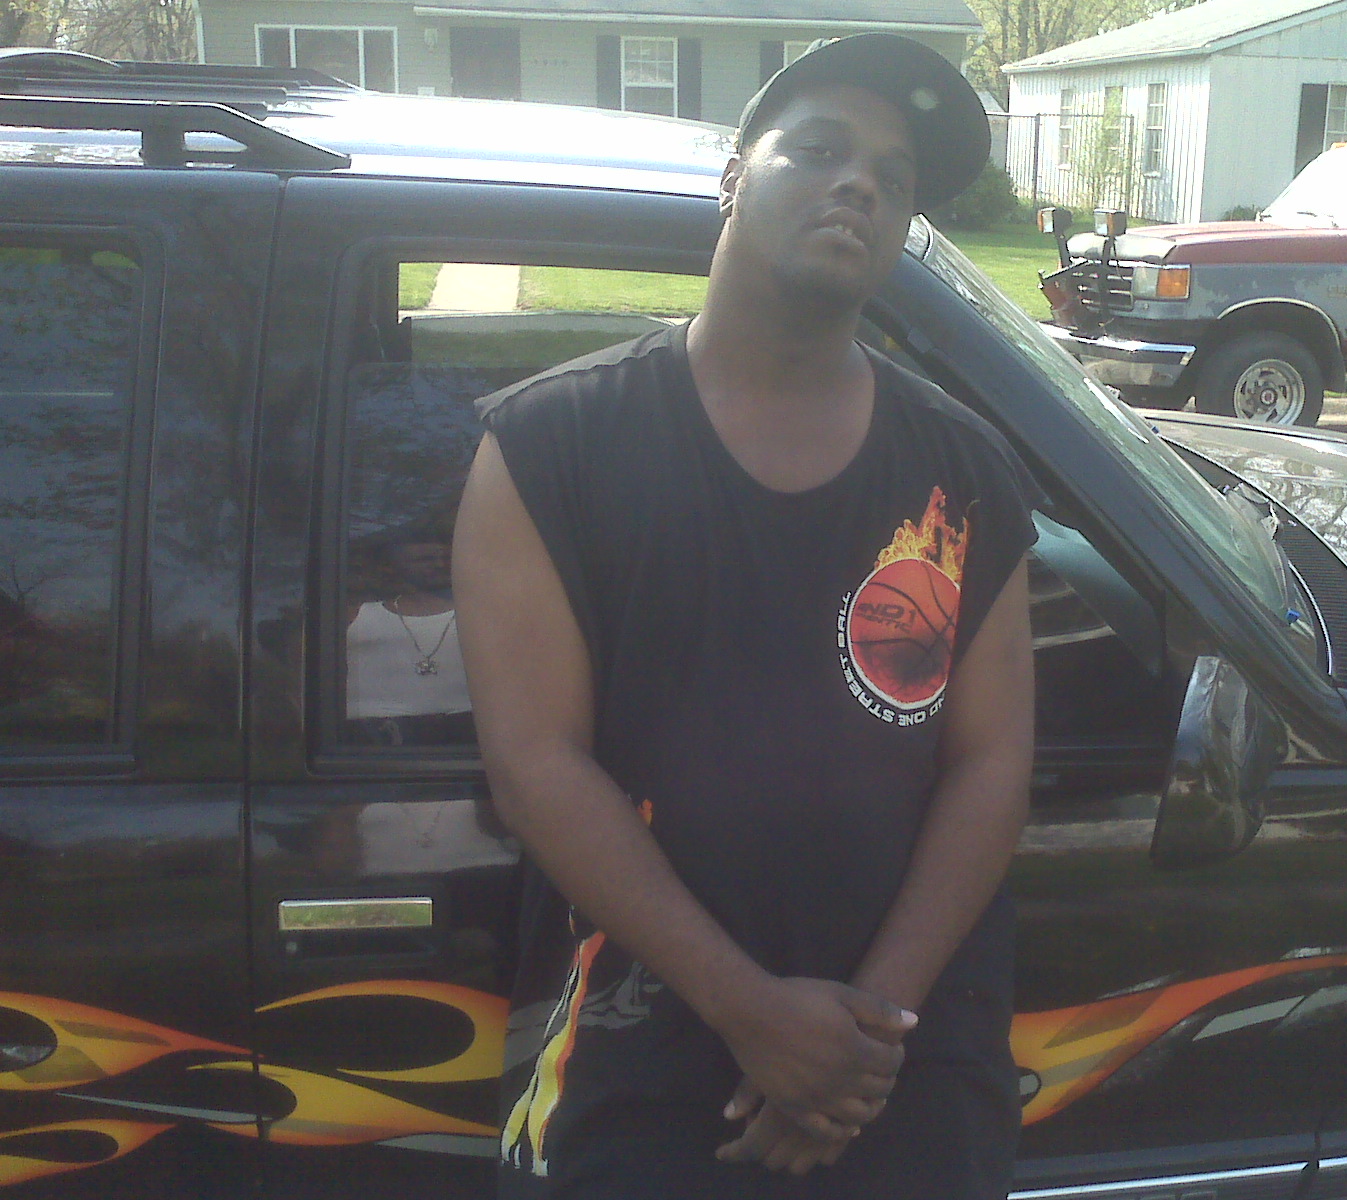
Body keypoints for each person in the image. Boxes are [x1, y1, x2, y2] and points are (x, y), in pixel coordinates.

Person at [454, 33, 1038, 1199]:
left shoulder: (963, 471)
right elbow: (535, 765)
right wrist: (752, 1012)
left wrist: (862, 1037)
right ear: (732, 177)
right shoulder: (549, 445)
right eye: (817, 150)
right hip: (640, 1058)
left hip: (906, 1065)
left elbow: (991, 762)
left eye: (892, 177)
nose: (858, 184)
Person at [345, 529, 475, 746]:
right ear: (395, 566)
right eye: (425, 560)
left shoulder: (480, 614)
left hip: (467, 738)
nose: (439, 565)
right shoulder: (356, 616)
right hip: (372, 741)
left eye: (445, 558)